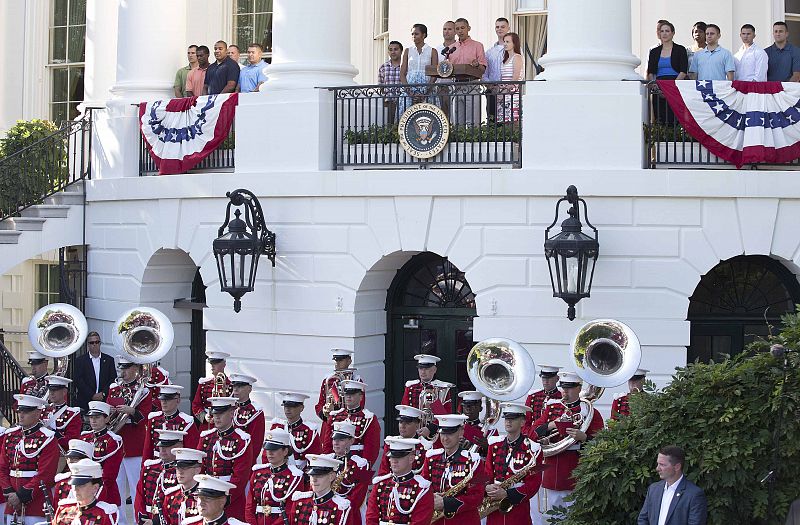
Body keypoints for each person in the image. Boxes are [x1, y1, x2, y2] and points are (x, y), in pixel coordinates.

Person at [529, 372, 604, 520]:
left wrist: (584, 438)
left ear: (579, 388)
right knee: (554, 518)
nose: (565, 391)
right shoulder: (551, 409)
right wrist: (551, 425)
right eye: (563, 387)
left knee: (576, 517)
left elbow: (601, 444)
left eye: (569, 388)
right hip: (553, 470)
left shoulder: (589, 412)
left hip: (577, 470)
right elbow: (532, 434)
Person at [0, 395, 59, 525]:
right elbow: (2, 468)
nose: (21, 415)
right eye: (20, 411)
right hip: (11, 502)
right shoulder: (10, 435)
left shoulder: (47, 438)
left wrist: (20, 496)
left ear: (38, 413)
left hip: (36, 504)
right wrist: (10, 494)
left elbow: (46, 475)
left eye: (26, 411)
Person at [107, 357, 153, 517]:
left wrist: (132, 411)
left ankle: (137, 519)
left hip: (134, 445)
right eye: (121, 368)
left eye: (127, 368)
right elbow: (106, 415)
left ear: (135, 368)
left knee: (136, 487)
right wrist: (110, 412)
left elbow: (146, 416)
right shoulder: (114, 389)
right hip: (116, 445)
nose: (123, 372)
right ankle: (119, 521)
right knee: (116, 486)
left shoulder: (144, 391)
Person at [420, 415, 485, 525]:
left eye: (450, 433)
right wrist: (431, 498)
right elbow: (422, 488)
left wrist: (447, 503)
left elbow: (478, 496)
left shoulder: (475, 461)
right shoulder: (431, 458)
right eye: (442, 433)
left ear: (460, 432)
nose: (445, 438)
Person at [484, 403, 543, 525]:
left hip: (518, 507)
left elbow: (534, 484)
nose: (508, 422)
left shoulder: (533, 448)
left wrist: (507, 494)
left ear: (522, 422)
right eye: (506, 418)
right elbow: (487, 473)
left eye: (513, 419)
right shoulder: (494, 445)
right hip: (494, 505)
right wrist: (486, 487)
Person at [197, 397, 252, 521]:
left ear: (232, 413)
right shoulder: (206, 438)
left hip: (230, 498)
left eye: (221, 413)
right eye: (215, 413)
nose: (216, 417)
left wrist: (224, 499)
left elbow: (240, 476)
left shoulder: (241, 440)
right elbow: (198, 468)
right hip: (207, 495)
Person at [366, 438, 433, 525]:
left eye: (399, 457)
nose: (394, 461)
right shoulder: (380, 484)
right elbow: (371, 518)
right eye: (392, 457)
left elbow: (420, 522)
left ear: (411, 459)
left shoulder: (422, 489)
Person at [246, 429, 304, 525]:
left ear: (285, 451)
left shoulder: (295, 477)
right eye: (268, 449)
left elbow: (291, 510)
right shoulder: (258, 473)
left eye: (274, 449)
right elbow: (249, 505)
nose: (270, 453)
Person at [637, 445, 708, 525]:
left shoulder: (694, 495)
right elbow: (643, 519)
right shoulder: (653, 489)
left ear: (677, 467)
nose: (657, 468)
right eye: (658, 464)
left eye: (662, 465)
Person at [321, 380, 381, 467]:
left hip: (357, 463)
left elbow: (372, 448)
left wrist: (364, 466)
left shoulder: (368, 418)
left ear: (360, 396)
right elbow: (328, 445)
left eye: (352, 394)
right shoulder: (334, 416)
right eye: (346, 394)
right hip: (335, 462)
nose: (348, 397)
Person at [134, 429, 185, 525]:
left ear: (179, 447)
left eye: (168, 446)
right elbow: (140, 495)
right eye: (161, 446)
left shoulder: (183, 471)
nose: (163, 450)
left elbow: (179, 502)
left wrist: (155, 522)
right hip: (147, 518)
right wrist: (141, 517)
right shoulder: (149, 467)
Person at [325, 422, 371, 525]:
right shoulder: (325, 461)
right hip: (326, 511)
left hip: (350, 513)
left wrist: (341, 509)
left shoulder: (362, 464)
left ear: (351, 440)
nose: (336, 443)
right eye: (334, 439)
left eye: (341, 440)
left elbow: (359, 496)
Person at [80, 401, 123, 507]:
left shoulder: (113, 441)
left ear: (107, 419)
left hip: (105, 492)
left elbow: (109, 474)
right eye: (91, 417)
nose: (93, 420)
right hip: (83, 490)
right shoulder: (84, 438)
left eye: (97, 417)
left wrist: (91, 488)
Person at [141, 384, 199, 462]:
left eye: (168, 399)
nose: (164, 402)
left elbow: (191, 451)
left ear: (178, 400)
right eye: (162, 399)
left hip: (177, 466)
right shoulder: (153, 419)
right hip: (156, 466)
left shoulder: (186, 422)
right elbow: (147, 448)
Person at [287, 455, 351, 525]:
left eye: (319, 476)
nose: (314, 480)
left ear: (331, 476)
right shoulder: (300, 502)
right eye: (312, 475)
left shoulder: (341, 507)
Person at [401, 354, 454, 438]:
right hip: (413, 433)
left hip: (434, 435)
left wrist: (430, 428)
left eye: (426, 369)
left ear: (434, 370)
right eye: (421, 368)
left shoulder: (442, 388)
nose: (423, 372)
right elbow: (405, 411)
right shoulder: (411, 387)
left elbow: (445, 416)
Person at [52, 459, 119, 525]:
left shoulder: (104, 514)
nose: (75, 489)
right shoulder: (64, 508)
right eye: (74, 484)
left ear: (95, 488)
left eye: (81, 485)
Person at [647, 21, 688, 125]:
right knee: (660, 115)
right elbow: (650, 72)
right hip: (659, 86)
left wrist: (673, 86)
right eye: (662, 31)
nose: (664, 33)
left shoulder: (680, 49)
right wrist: (656, 86)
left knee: (675, 116)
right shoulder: (654, 51)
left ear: (673, 33)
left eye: (667, 31)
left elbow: (683, 71)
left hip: (676, 85)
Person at [449, 18, 487, 126]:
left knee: (473, 123)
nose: (460, 31)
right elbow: (448, 69)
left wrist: (477, 65)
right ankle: (459, 142)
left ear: (468, 28)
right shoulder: (451, 48)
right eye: (457, 29)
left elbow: (483, 69)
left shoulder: (477, 45)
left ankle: (473, 142)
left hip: (472, 85)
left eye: (462, 28)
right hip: (456, 86)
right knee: (457, 123)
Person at [268, 392, 321, 470]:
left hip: (301, 472)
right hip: (280, 471)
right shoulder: (277, 427)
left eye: (292, 407)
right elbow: (268, 452)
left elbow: (315, 456)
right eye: (285, 406)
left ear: (301, 408)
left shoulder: (310, 430)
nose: (287, 409)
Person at [377, 405, 432, 476]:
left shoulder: (425, 447)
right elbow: (383, 472)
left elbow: (426, 475)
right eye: (400, 422)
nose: (402, 426)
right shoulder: (390, 444)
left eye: (407, 423)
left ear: (417, 424)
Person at [157, 448, 205, 525]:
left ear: (197, 470)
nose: (180, 472)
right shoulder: (171, 495)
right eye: (177, 468)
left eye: (185, 468)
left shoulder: (206, 497)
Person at [399, 23, 438, 114]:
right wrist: (409, 92)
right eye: (412, 34)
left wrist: (425, 91)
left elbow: (435, 73)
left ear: (424, 35)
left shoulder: (432, 51)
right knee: (407, 119)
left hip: (427, 91)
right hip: (409, 91)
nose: (414, 36)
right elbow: (402, 74)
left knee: (426, 117)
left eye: (416, 34)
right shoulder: (407, 51)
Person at [315, 349, 364, 420]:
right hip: (330, 420)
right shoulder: (328, 380)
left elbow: (360, 404)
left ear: (349, 361)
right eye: (336, 360)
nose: (337, 363)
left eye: (341, 360)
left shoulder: (356, 380)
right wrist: (325, 411)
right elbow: (320, 403)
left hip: (349, 420)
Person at [73, 332, 116, 413]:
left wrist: (103, 393)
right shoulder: (80, 361)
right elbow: (78, 380)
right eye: (91, 342)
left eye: (97, 342)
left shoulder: (109, 360)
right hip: (85, 401)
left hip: (104, 400)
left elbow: (112, 379)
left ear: (100, 343)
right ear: (88, 344)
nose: (94, 344)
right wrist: (92, 395)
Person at [192, 350, 232, 432]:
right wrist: (204, 416)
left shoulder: (232, 385)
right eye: (211, 363)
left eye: (216, 363)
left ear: (224, 364)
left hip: (226, 425)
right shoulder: (204, 384)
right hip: (207, 425)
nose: (212, 366)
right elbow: (196, 405)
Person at [41, 375, 82, 451]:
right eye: (50, 390)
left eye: (55, 390)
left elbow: (71, 441)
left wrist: (52, 432)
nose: (52, 393)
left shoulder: (72, 414)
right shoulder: (43, 410)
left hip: (59, 453)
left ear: (64, 392)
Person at [229, 373, 265, 456]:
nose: (235, 390)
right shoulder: (228, 408)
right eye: (234, 386)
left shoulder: (255, 412)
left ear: (249, 389)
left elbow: (256, 443)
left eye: (240, 386)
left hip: (244, 458)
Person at [484, 18, 511, 123]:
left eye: (502, 27)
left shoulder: (515, 49)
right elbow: (484, 73)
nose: (500, 29)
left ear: (508, 28)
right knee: (492, 122)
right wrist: (490, 85)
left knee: (508, 123)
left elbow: (519, 70)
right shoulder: (490, 52)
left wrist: (505, 87)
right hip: (492, 91)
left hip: (508, 92)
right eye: (497, 27)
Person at [523, 366, 562, 436]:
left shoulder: (562, 397)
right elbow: (526, 420)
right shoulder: (533, 396)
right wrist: (528, 435)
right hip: (533, 434)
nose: (546, 381)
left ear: (557, 379)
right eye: (543, 378)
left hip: (553, 436)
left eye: (549, 378)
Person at [458, 391, 499, 457]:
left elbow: (497, 455)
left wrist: (486, 447)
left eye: (472, 406)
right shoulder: (456, 428)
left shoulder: (490, 430)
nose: (468, 409)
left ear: (480, 408)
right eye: (465, 406)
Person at [496, 31, 524, 123]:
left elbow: (515, 77)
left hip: (513, 95)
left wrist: (504, 90)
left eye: (508, 42)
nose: (505, 44)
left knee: (514, 123)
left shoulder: (517, 57)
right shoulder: (505, 59)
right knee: (504, 124)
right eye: (504, 41)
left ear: (514, 43)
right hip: (503, 95)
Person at [378, 41, 403, 125]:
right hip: (390, 102)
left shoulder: (405, 66)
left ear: (401, 51)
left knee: (404, 126)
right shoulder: (383, 67)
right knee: (391, 126)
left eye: (396, 49)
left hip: (403, 101)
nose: (393, 52)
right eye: (390, 50)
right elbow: (381, 85)